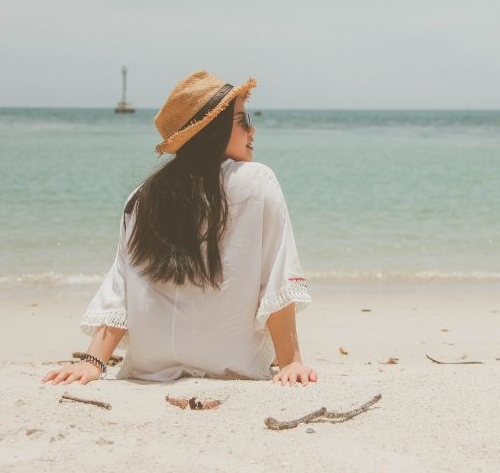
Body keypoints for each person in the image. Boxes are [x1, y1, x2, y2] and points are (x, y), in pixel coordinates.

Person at [42, 71, 316, 386]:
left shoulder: (143, 196)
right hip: (229, 359)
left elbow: (122, 284)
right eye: (242, 120)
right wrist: (290, 362)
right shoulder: (257, 180)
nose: (253, 130)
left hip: (151, 363)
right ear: (213, 131)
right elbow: (276, 271)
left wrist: (93, 363)